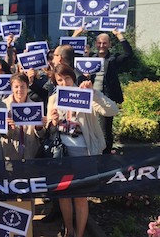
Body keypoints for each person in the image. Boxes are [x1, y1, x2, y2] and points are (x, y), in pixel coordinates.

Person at [47, 64, 119, 237]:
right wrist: (53, 122)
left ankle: (79, 234)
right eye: (60, 80)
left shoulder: (86, 96)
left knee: (80, 196)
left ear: (73, 77)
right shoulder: (53, 99)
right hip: (62, 153)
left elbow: (112, 110)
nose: (64, 82)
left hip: (84, 152)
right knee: (64, 194)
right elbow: (49, 131)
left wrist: (94, 93)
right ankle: (69, 230)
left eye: (67, 78)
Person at [92, 28, 133, 154]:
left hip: (106, 98)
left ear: (109, 44)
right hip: (90, 99)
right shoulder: (89, 58)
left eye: (105, 43)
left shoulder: (113, 59)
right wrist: (76, 34)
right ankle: (94, 153)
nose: (102, 45)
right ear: (95, 44)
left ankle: (106, 156)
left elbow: (128, 54)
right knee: (92, 128)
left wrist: (119, 35)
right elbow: (71, 56)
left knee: (105, 129)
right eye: (99, 43)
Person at [2, 73, 46, 160]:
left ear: (27, 87)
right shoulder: (3, 106)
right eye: (16, 86)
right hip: (9, 155)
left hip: (31, 155)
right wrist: (8, 128)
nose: (20, 90)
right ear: (11, 87)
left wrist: (39, 128)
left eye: (22, 86)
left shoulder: (35, 107)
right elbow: (0, 135)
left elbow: (42, 135)